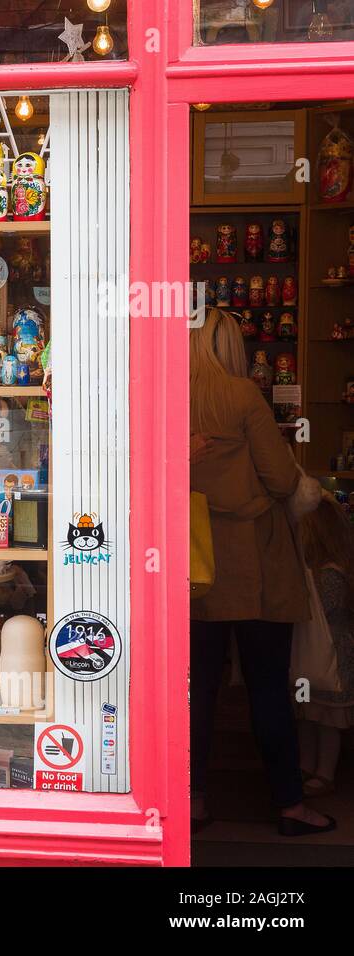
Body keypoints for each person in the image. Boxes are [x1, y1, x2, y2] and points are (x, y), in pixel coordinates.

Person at [190, 307, 334, 836]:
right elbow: (279, 480)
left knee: (198, 688)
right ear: (229, 348)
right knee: (269, 686)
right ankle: (290, 805)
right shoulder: (243, 395)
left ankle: (193, 799)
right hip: (256, 563)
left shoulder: (167, 394)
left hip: (195, 563)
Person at [297, 496, 354, 796]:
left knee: (321, 716)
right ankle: (311, 767)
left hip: (326, 656)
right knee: (311, 714)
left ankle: (321, 771)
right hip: (326, 657)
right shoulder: (330, 570)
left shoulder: (328, 574)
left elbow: (322, 610)